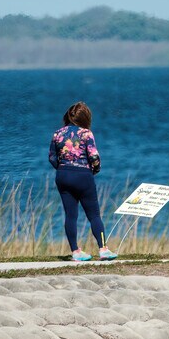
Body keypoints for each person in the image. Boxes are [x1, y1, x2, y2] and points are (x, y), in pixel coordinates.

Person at [48, 101, 117, 261]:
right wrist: (94, 170)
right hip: (83, 175)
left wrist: (62, 168)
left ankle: (76, 252)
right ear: (85, 118)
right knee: (94, 215)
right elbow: (94, 156)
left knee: (70, 215)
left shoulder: (57, 133)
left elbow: (51, 156)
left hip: (63, 175)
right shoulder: (86, 134)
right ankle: (103, 249)